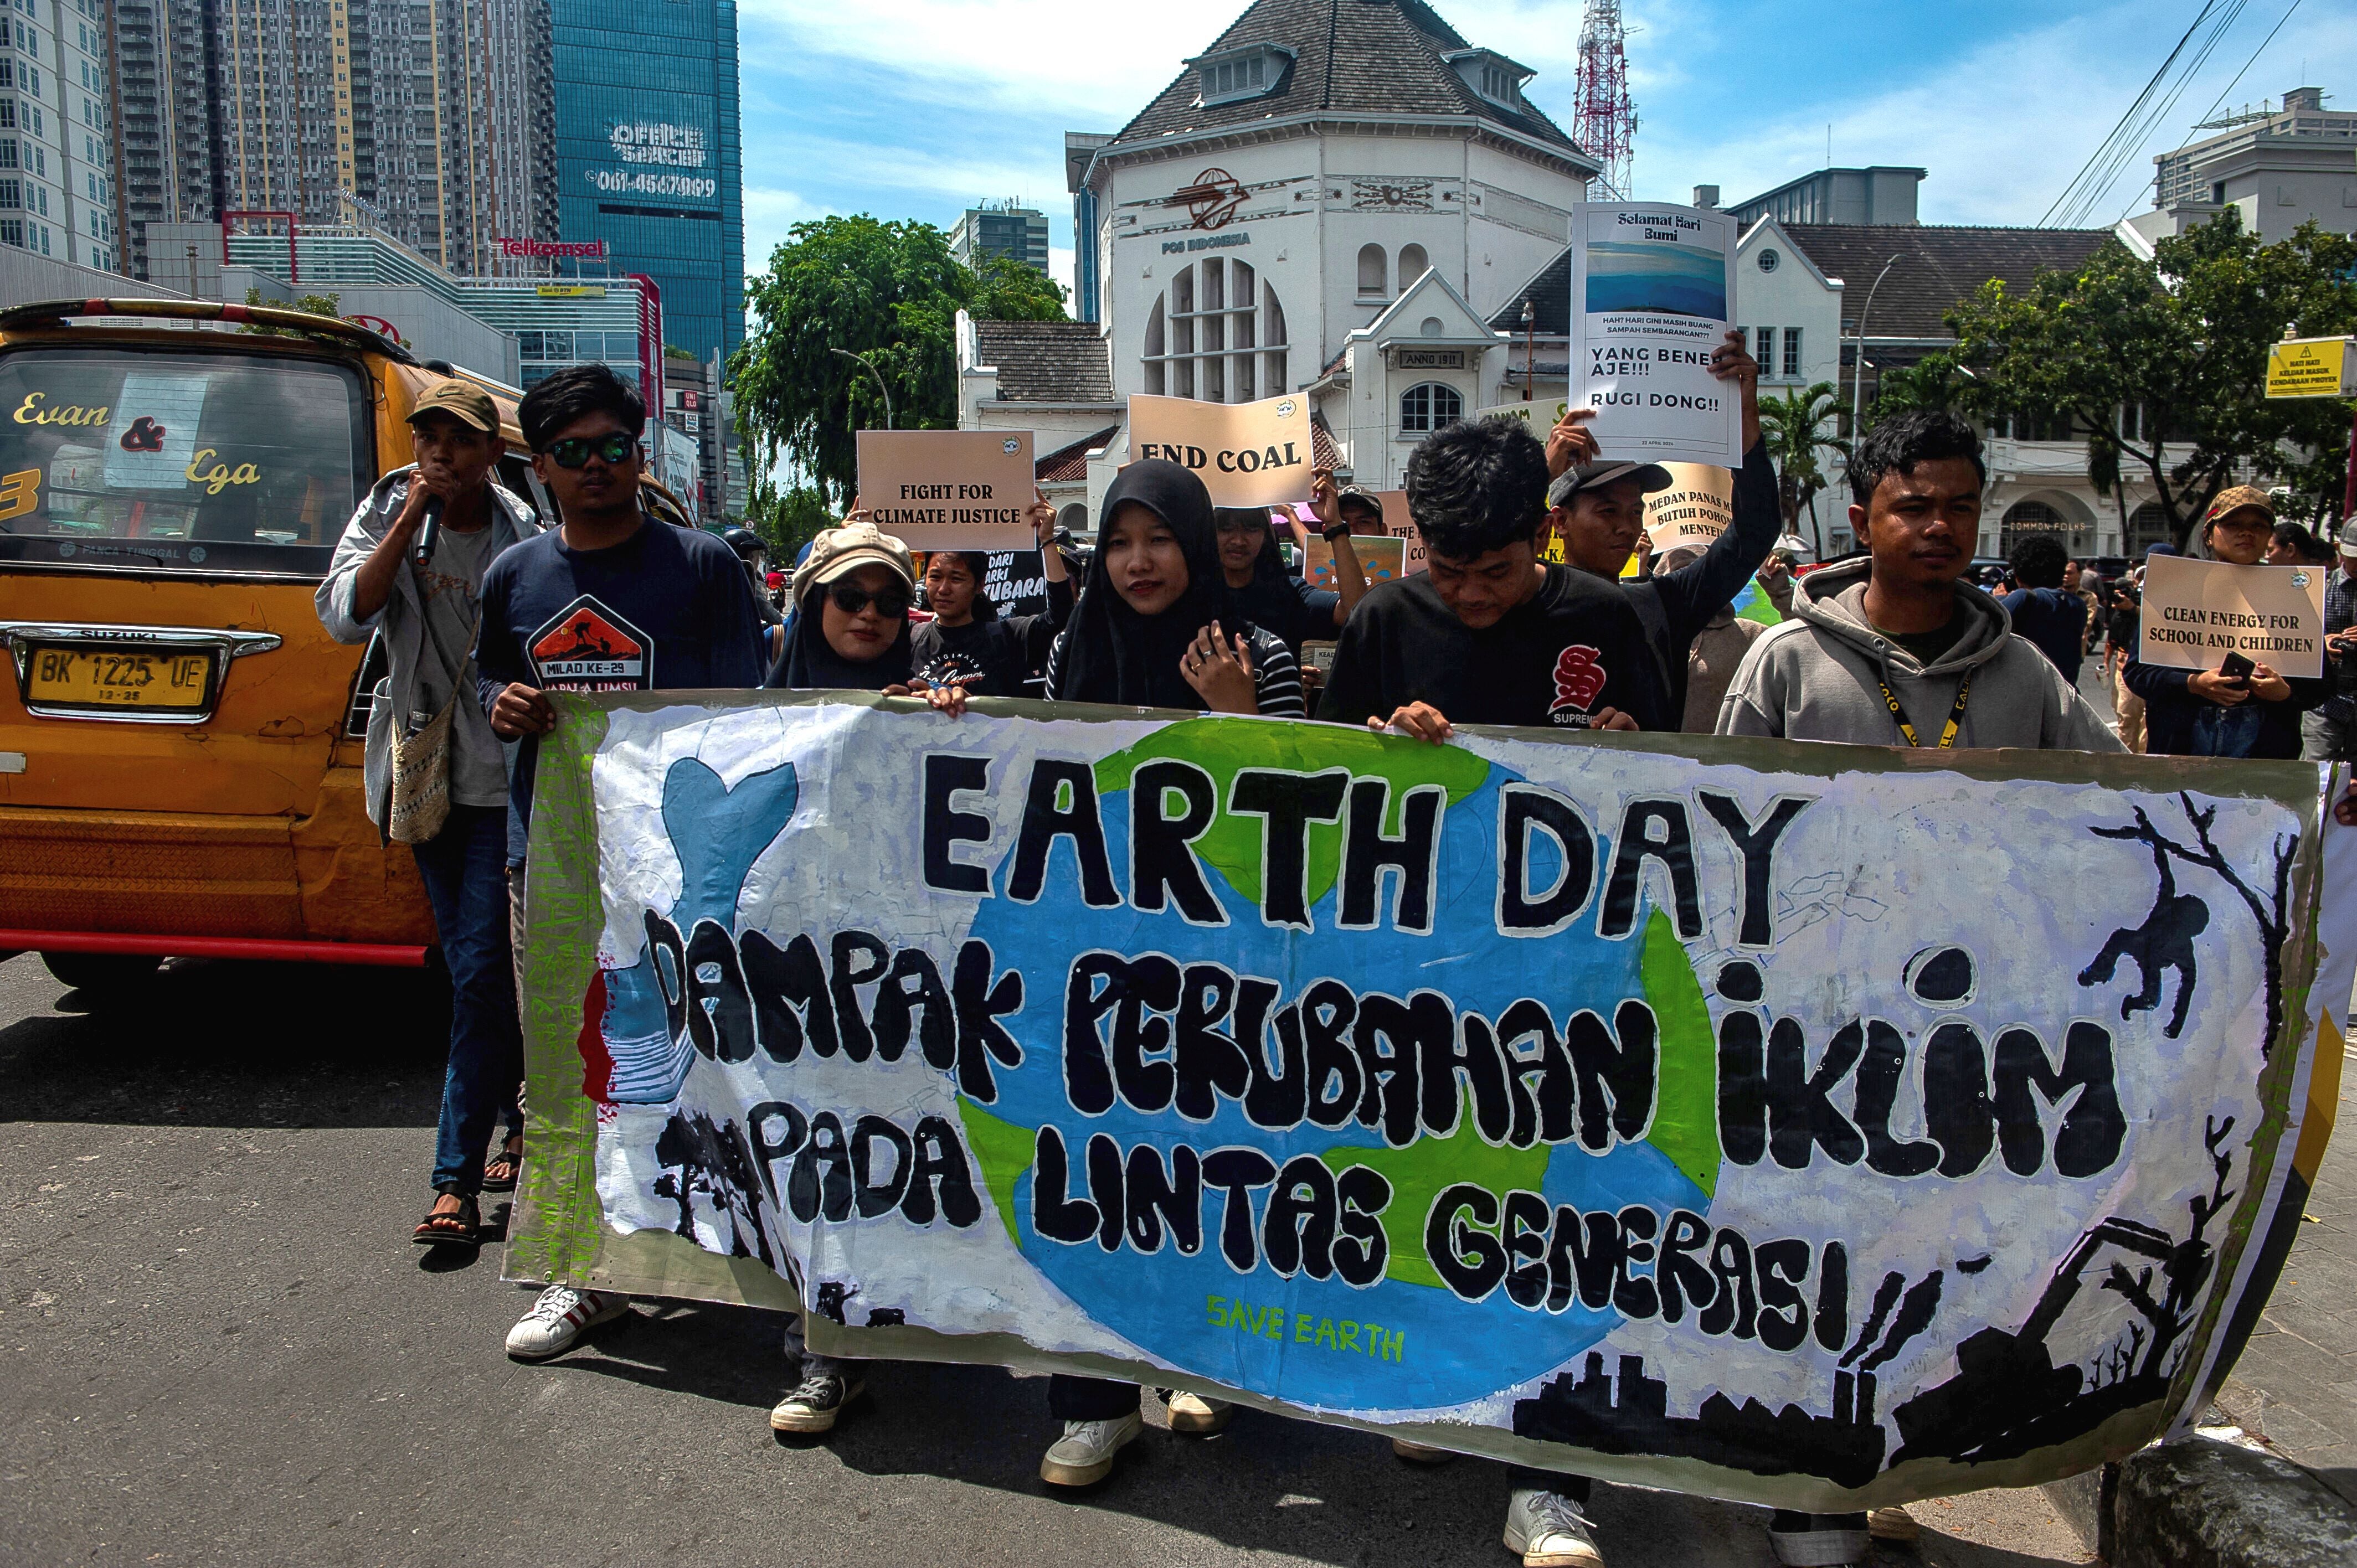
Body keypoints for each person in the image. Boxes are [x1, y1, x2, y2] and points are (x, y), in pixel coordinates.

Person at [471, 364, 768, 1368]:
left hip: (685, 872)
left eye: (618, 448)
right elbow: (486, 678)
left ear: (642, 453)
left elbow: (755, 714)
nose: (601, 469)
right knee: (569, 1065)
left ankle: (756, 1255)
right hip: (554, 865)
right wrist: (500, 705)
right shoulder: (515, 579)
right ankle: (584, 1269)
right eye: (576, 453)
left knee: (720, 1058)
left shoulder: (703, 566)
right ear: (541, 466)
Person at [316, 379, 539, 1249]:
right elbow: (345, 615)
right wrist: (410, 522)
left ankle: (455, 1178)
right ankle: (514, 1126)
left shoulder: (524, 534)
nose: (442, 453)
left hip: (507, 786)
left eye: (460, 440)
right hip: (426, 777)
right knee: (477, 970)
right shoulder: (386, 511)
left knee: (484, 971)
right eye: (429, 438)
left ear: (493, 453)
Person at [1719, 410, 2120, 757]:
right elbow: (1725, 812)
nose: (1941, 527)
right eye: (1914, 509)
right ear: (1862, 525)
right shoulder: (1786, 659)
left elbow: (2122, 793)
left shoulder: (2025, 670)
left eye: (1961, 508)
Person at [1315, 414, 1658, 741]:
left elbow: (1665, 758)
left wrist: (1633, 745)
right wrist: (1382, 736)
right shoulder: (1384, 617)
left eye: (1497, 572)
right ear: (1421, 537)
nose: (1471, 594)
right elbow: (1329, 761)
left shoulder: (1604, 613)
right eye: (1448, 571)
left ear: (1541, 535)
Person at [1540, 329, 1779, 724]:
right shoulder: (1521, 598)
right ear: (1561, 521)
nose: (1626, 528)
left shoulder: (1665, 605)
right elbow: (1482, 554)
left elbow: (1755, 531)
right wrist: (1541, 474)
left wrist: (1744, 424)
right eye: (1607, 512)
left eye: (1635, 512)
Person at [1044, 458, 1305, 719]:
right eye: (1119, 543)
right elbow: (1049, 752)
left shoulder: (1259, 658)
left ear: (1196, 545)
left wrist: (1239, 711)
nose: (1138, 564)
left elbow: (1287, 760)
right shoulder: (1072, 648)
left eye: (1159, 539)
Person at [2125, 487, 2327, 760]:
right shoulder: (2173, 587)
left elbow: (2322, 685)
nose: (2247, 533)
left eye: (2258, 526)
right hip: (2181, 755)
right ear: (2209, 534)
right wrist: (2193, 683)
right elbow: (2138, 673)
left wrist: (2286, 693)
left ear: (2270, 536)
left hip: (2264, 760)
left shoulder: (2295, 596)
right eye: (2233, 525)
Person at [907, 491, 1073, 696]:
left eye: (956, 578)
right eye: (935, 577)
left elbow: (1060, 618)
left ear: (979, 585)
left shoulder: (1006, 638)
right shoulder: (910, 638)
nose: (943, 589)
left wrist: (1047, 540)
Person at [1210, 478, 1372, 659]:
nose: (1238, 540)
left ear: (1265, 536)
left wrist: (1334, 523)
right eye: (1226, 529)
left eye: (1251, 529)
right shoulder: (1191, 595)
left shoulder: (1290, 594)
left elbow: (1354, 610)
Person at [1670, 548, 1793, 734]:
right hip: (1658, 758)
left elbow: (1806, 646)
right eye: (1681, 574)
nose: (1693, 583)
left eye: (1702, 573)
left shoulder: (1751, 634)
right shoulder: (1649, 632)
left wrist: (1782, 594)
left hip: (1730, 759)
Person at [1998, 534, 2087, 687]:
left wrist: (1999, 599)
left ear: (2018, 572)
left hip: (2026, 693)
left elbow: (1987, 629)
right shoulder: (2077, 604)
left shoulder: (2024, 598)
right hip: (2064, 693)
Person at [2306, 520, 2357, 762]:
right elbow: (2295, 634)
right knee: (2318, 778)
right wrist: (2320, 644)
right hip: (2326, 701)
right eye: (2351, 556)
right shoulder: (2320, 587)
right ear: (2339, 549)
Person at [2104, 573, 2146, 753]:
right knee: (2125, 716)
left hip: (2145, 664)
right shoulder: (2118, 613)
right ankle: (2127, 760)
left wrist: (2133, 609)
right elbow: (2112, 639)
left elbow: (2156, 619)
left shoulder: (2140, 605)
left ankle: (2144, 759)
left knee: (2146, 722)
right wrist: (2106, 662)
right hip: (2123, 664)